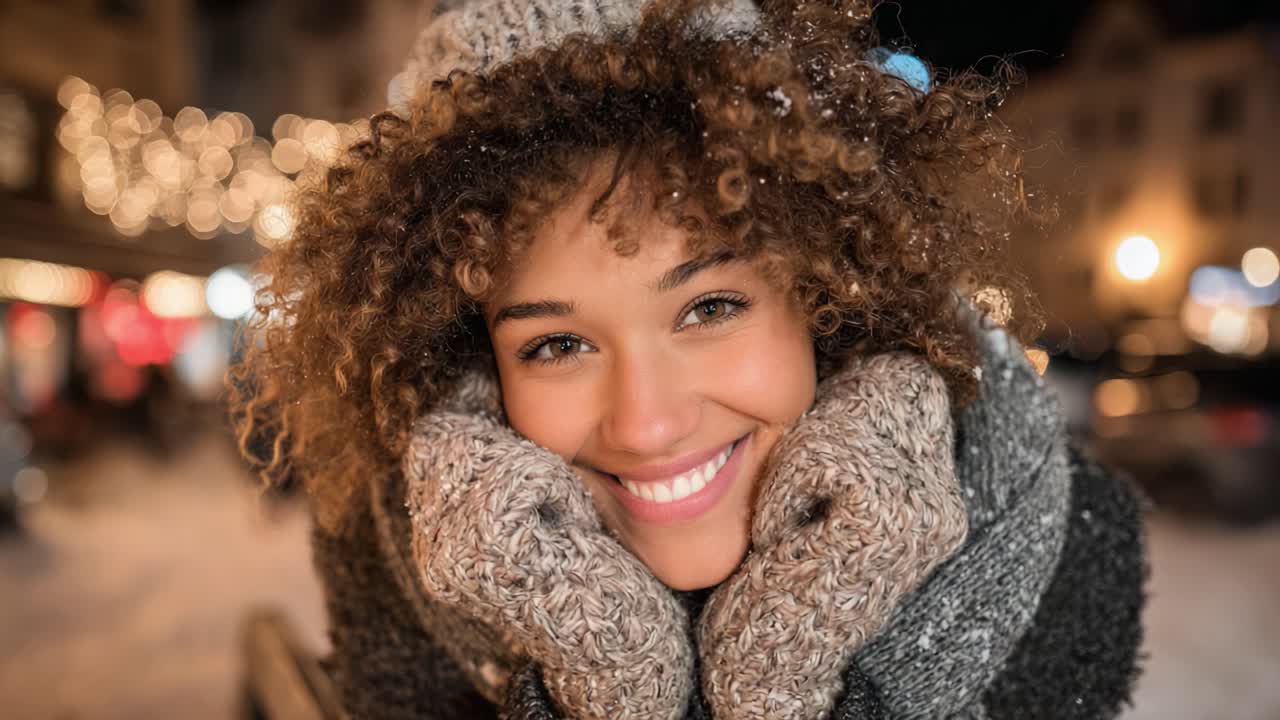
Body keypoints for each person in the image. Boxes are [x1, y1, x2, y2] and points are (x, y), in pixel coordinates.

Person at [227, 1, 1146, 718]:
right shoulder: (396, 544)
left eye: (709, 308)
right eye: (557, 345)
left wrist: (798, 661)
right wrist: (595, 671)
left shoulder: (1052, 540)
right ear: (470, 363)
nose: (647, 424)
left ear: (826, 298)